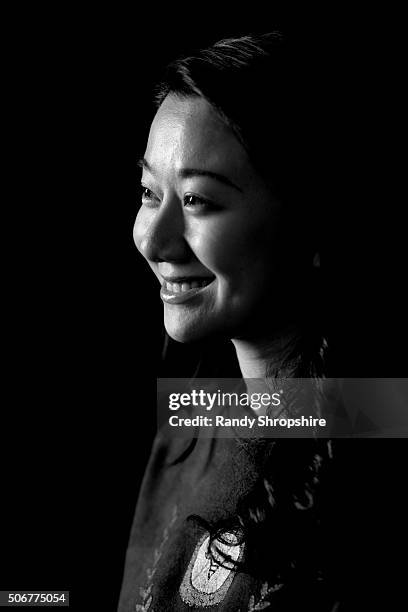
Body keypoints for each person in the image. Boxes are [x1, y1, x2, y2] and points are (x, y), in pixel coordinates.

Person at [118, 33, 376, 611]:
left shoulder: (375, 431)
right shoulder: (190, 419)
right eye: (147, 192)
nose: (151, 241)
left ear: (310, 222)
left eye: (196, 201)